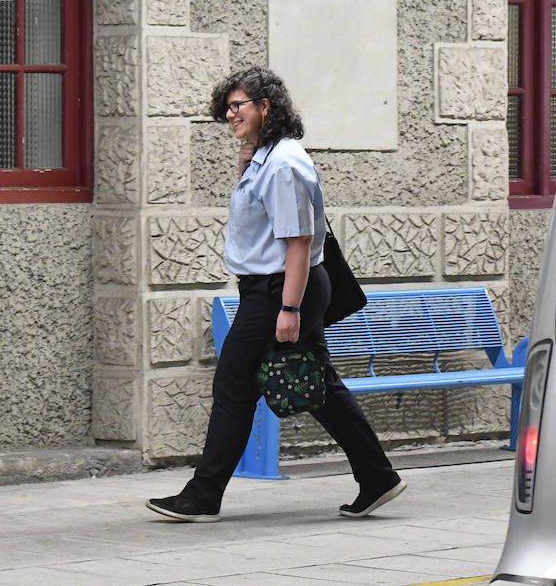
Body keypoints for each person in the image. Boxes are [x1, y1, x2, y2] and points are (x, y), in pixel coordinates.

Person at [147, 67, 405, 522]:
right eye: (226, 107)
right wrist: (247, 168)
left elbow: (298, 243)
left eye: (238, 105)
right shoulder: (267, 158)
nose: (230, 114)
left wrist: (288, 308)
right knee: (319, 384)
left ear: (265, 107)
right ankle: (377, 476)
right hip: (276, 289)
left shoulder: (283, 165)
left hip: (278, 291)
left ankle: (203, 495)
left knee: (233, 386)